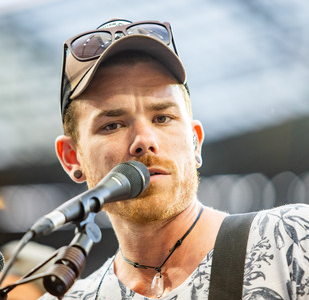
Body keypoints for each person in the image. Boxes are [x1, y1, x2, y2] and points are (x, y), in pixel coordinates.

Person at [39, 18, 309, 299]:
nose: (144, 140)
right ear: (72, 158)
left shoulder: (293, 240)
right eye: (112, 125)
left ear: (195, 143)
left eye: (162, 118)